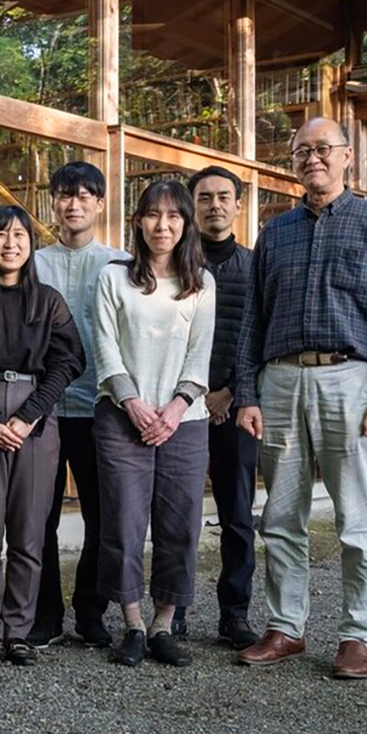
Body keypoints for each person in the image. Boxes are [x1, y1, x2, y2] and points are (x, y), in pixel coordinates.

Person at [234, 118, 367, 680]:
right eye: (301, 151)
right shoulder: (276, 233)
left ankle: (358, 637)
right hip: (281, 380)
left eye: (323, 149)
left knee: (356, 519)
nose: (312, 158)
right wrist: (248, 393)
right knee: (281, 514)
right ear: (293, 163)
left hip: (351, 380)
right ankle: (286, 627)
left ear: (346, 159)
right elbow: (252, 323)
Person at [0, 205, 84, 669]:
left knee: (29, 532)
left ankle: (18, 630)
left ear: (30, 243)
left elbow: (69, 361)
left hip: (36, 420)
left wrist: (28, 415)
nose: (10, 243)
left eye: (20, 235)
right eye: (1, 235)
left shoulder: (48, 301)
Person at [91, 180, 216, 670]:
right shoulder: (114, 278)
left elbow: (200, 354)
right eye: (152, 215)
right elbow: (104, 345)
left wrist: (175, 408)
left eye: (173, 216)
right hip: (123, 419)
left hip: (185, 420)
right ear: (138, 221)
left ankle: (166, 623)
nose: (162, 226)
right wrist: (135, 404)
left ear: (185, 224)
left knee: (179, 524)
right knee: (123, 522)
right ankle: (134, 624)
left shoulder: (201, 283)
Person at [30, 161, 127, 649]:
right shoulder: (33, 261)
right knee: (38, 516)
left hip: (101, 407)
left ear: (99, 204)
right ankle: (44, 612)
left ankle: (91, 610)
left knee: (102, 515)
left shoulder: (121, 263)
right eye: (66, 195)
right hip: (42, 410)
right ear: (54, 202)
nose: (74, 204)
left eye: (85, 196)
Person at [169, 166, 260, 650]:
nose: (214, 205)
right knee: (179, 512)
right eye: (204, 197)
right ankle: (174, 607)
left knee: (238, 514)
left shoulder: (255, 266)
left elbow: (260, 337)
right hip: (179, 407)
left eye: (224, 197)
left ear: (238, 205)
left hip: (234, 405)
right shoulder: (173, 265)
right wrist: (190, 393)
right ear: (193, 204)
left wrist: (228, 392)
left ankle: (235, 611)